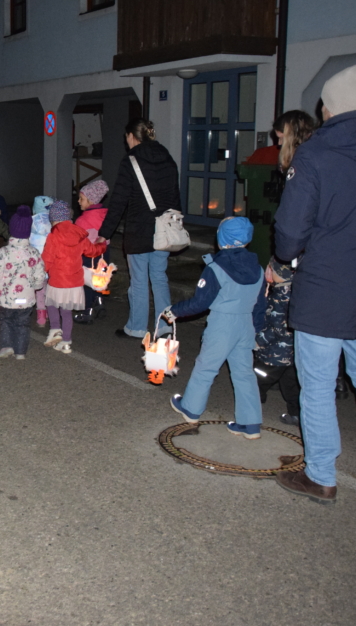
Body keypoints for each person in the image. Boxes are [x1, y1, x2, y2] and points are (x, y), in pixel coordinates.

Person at [273, 65, 356, 505]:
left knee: (316, 381)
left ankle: (320, 475)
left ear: (329, 107)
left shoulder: (315, 154)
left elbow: (289, 235)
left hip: (325, 288)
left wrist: (289, 257)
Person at [167, 217, 267, 439]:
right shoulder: (258, 270)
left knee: (206, 367)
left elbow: (200, 302)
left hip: (222, 324)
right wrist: (256, 330)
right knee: (244, 373)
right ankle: (250, 424)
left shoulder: (216, 268)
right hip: (246, 324)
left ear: (221, 239)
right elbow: (261, 304)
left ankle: (191, 408)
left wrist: (175, 310)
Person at [98, 118, 181, 341]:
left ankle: (136, 328)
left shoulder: (131, 161)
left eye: (126, 137)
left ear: (132, 136)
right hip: (164, 228)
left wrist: (105, 232)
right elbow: (175, 194)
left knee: (139, 280)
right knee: (159, 277)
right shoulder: (167, 157)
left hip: (138, 229)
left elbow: (119, 200)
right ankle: (164, 327)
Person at [0, 206, 47, 360]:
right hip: (26, 299)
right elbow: (40, 274)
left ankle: (6, 346)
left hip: (6, 299)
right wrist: (37, 286)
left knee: (5, 321)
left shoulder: (4, 252)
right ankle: (20, 352)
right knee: (22, 324)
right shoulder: (34, 253)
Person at [41, 200, 106, 354]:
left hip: (57, 281)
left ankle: (55, 330)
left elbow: (46, 260)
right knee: (66, 313)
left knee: (51, 305)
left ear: (54, 219)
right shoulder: (80, 235)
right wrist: (102, 244)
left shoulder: (53, 236)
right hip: (74, 283)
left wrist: (39, 273)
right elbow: (92, 251)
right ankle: (66, 342)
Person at [254, 258, 301, 426]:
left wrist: (259, 341)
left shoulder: (280, 297)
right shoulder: (296, 292)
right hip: (292, 352)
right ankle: (296, 414)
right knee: (291, 384)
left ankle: (251, 413)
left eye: (272, 270)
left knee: (257, 378)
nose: (269, 272)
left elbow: (279, 328)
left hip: (274, 353)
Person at [74, 179, 111, 325]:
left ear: (91, 200)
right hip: (104, 254)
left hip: (88, 255)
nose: (78, 201)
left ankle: (87, 312)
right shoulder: (106, 215)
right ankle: (99, 301)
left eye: (81, 198)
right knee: (99, 278)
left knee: (87, 282)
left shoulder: (82, 221)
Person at [29, 196, 54, 327]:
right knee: (48, 288)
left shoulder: (31, 222)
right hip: (50, 262)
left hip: (36, 263)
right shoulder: (53, 223)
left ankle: (41, 316)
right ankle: (49, 312)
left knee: (39, 290)